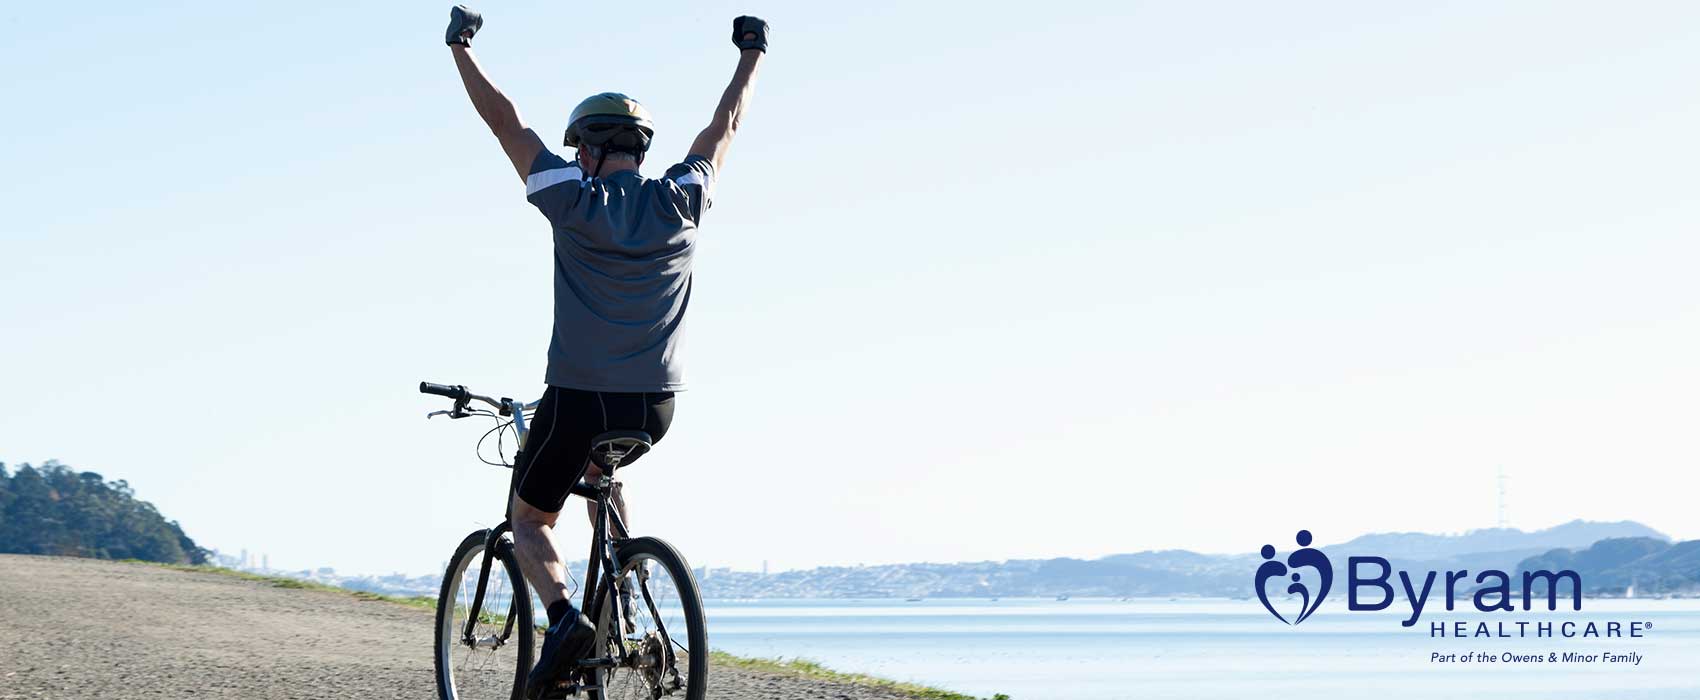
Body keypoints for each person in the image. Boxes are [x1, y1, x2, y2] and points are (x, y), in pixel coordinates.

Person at [443, 6, 768, 697]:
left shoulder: (572, 198)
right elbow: (725, 126)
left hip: (578, 395)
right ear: (641, 150)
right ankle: (622, 588)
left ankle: (565, 620)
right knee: (603, 471)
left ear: (586, 150)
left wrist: (461, 49)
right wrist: (750, 55)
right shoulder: (681, 199)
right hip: (656, 407)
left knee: (528, 519)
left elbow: (506, 122)